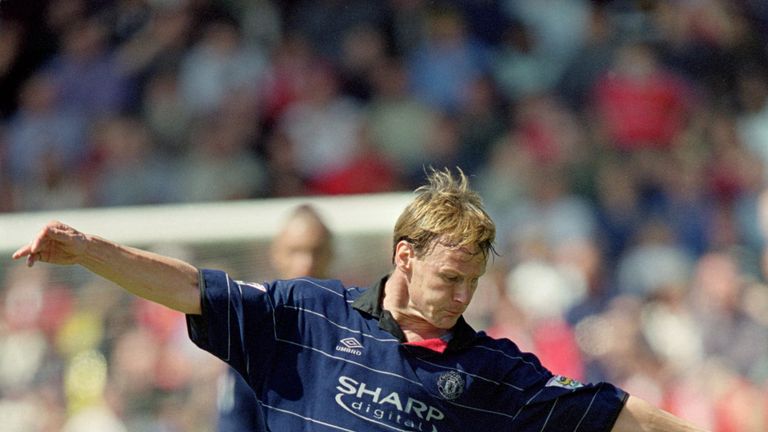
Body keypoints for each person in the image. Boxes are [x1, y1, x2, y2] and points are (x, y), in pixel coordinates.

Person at [13, 168, 707, 431]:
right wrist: (86, 251)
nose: (460, 296)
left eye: (471, 282)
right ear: (404, 256)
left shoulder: (496, 373)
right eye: (447, 279)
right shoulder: (304, 316)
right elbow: (189, 288)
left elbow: (622, 415)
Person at [217, 203, 333, 431]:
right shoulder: (253, 329)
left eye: (316, 251)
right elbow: (234, 421)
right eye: (296, 251)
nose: (306, 263)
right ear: (276, 255)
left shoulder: (354, 326)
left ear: (331, 254)